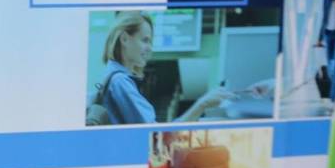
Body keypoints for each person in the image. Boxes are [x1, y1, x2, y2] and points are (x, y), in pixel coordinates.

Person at [96, 11, 234, 124]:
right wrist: (202, 104)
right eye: (145, 40)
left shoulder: (115, 77)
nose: (150, 48)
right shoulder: (120, 82)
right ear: (125, 39)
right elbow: (157, 135)